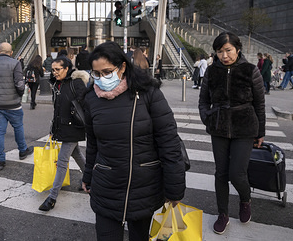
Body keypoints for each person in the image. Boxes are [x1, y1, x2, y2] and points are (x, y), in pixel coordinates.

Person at [82, 41, 186, 241]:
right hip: (106, 186)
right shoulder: (91, 99)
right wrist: (88, 176)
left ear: (122, 67)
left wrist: (174, 188)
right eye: (96, 74)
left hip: (143, 187)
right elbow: (93, 143)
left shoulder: (148, 93)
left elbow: (169, 142)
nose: (102, 78)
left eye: (107, 72)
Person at [198, 32, 265, 235]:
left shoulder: (251, 70)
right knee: (221, 173)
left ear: (237, 49)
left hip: (244, 127)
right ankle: (223, 214)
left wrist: (260, 131)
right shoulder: (211, 72)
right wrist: (207, 117)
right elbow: (203, 101)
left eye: (228, 50)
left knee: (237, 173)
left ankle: (245, 200)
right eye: (220, 51)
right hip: (218, 127)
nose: (224, 55)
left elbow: (259, 104)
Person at [38, 56, 89, 211]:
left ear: (67, 69)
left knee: (62, 162)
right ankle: (90, 179)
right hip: (63, 127)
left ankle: (52, 198)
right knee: (77, 154)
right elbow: (57, 109)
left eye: (58, 69)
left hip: (73, 128)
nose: (54, 73)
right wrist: (53, 129)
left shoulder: (76, 83)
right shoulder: (57, 84)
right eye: (52, 70)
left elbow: (86, 104)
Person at [0, 42, 34, 171]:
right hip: (13, 104)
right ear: (11, 53)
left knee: (0, 131)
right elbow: (20, 84)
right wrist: (20, 94)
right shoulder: (15, 63)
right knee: (18, 127)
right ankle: (23, 150)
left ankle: (0, 160)